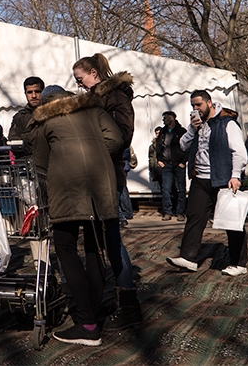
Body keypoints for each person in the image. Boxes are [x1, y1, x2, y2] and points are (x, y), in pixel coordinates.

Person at [30, 84, 122, 346]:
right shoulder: (92, 108)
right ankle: (93, 312)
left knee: (66, 248)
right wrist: (94, 152)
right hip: (100, 182)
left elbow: (40, 162)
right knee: (95, 248)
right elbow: (115, 139)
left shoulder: (45, 118)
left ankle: (87, 323)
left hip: (67, 187)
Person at [72, 53, 142, 328]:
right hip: (97, 170)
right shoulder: (98, 98)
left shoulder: (115, 97)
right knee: (100, 238)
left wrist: (93, 148)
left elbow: (122, 135)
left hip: (108, 172)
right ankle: (110, 297)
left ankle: (128, 305)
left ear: (93, 73)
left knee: (111, 237)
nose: (78, 85)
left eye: (80, 79)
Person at [167, 90, 248, 276]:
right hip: (200, 178)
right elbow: (183, 146)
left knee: (231, 221)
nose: (196, 109)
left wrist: (235, 175)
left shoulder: (226, 123)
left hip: (223, 178)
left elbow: (239, 152)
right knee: (194, 216)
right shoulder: (196, 126)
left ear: (210, 103)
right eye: (193, 106)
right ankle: (189, 258)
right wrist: (191, 129)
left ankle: (239, 263)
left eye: (199, 105)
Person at [155, 111, 189, 221]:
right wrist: (159, 159)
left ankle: (180, 212)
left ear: (172, 118)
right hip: (166, 164)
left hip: (179, 164)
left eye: (166, 118)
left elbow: (188, 147)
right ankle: (167, 212)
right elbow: (158, 146)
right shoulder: (163, 132)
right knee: (166, 189)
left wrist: (183, 162)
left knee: (181, 189)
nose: (164, 120)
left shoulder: (181, 131)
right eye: (163, 118)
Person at [8, 76, 44, 157]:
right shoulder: (19, 117)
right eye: (30, 92)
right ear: (25, 94)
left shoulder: (50, 113)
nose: (34, 96)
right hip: (27, 162)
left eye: (37, 91)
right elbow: (13, 140)